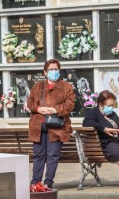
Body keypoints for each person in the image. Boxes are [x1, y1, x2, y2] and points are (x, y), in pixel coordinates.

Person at [27, 59, 75, 188]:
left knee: (53, 156)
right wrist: (38, 109)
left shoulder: (67, 87)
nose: (53, 72)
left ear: (59, 71)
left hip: (56, 127)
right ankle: (35, 182)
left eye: (55, 69)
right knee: (38, 155)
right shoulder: (37, 86)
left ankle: (48, 183)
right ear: (45, 72)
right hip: (38, 126)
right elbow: (29, 103)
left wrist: (55, 109)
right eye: (50, 70)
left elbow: (70, 105)